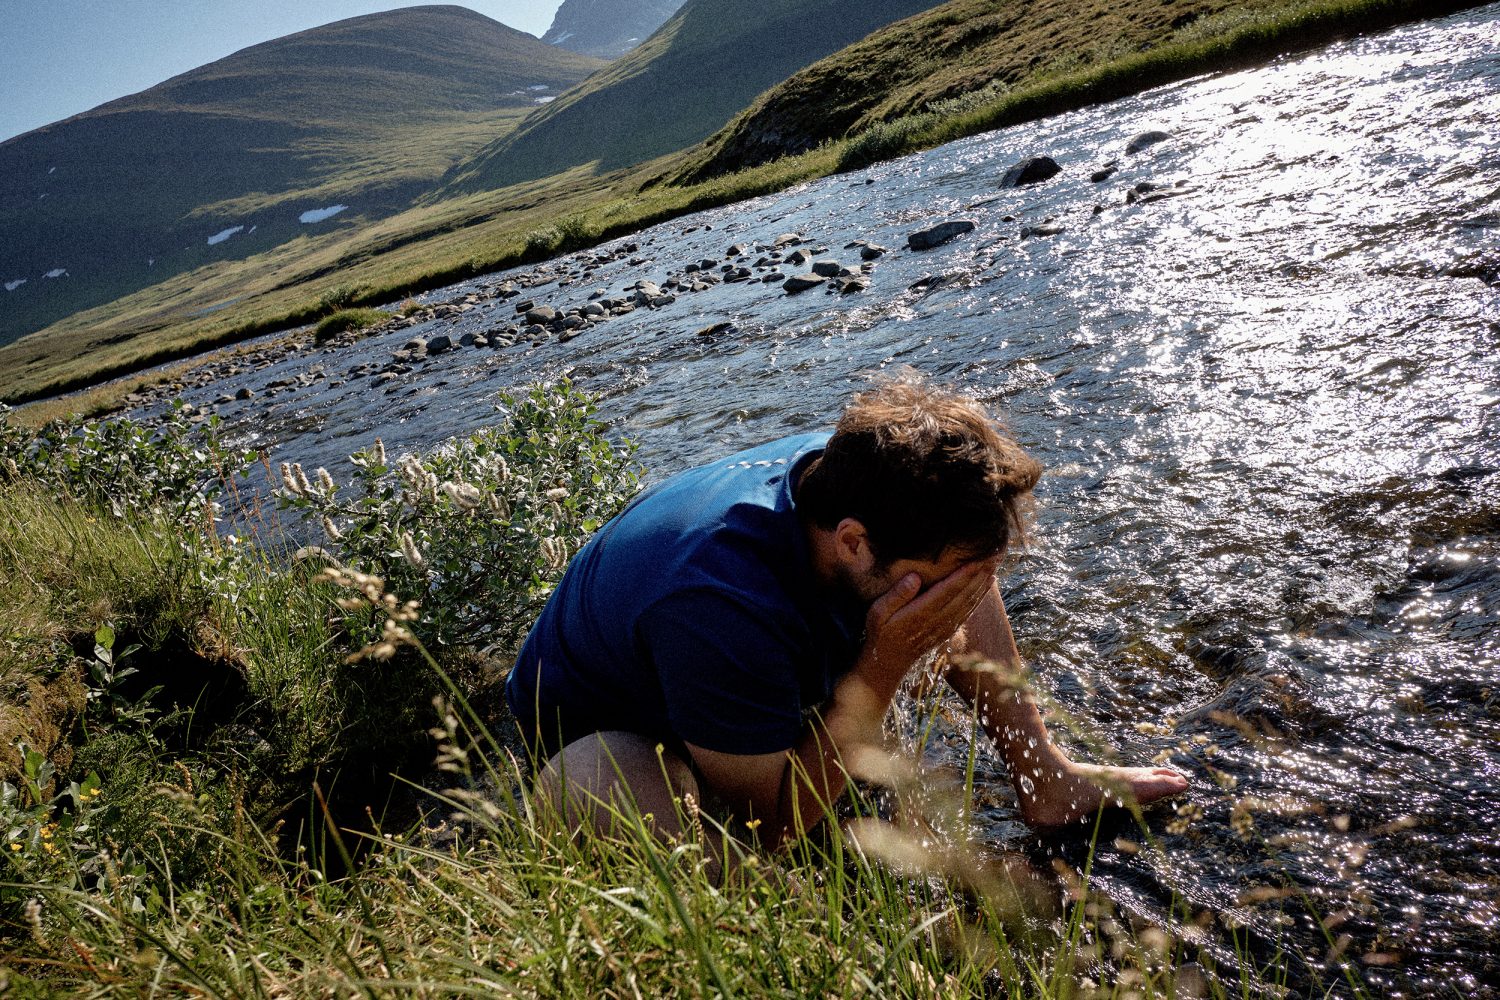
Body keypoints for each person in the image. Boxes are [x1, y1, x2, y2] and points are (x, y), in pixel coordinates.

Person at [506, 379, 1186, 861]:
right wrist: (884, 664)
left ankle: (1048, 779)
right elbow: (770, 823)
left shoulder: (866, 477)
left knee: (953, 562)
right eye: (948, 584)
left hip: (740, 677)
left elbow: (956, 566)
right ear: (853, 541)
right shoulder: (717, 600)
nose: (965, 596)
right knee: (618, 793)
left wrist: (954, 589)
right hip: (626, 741)